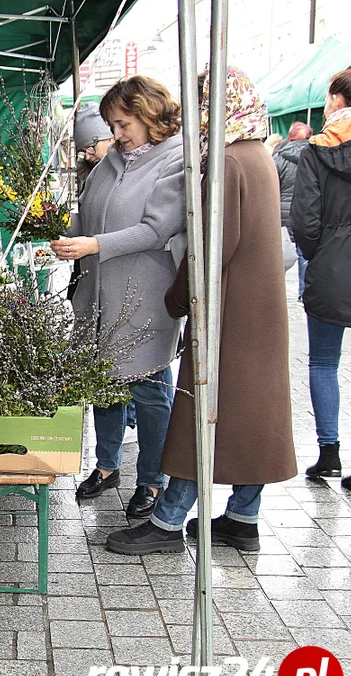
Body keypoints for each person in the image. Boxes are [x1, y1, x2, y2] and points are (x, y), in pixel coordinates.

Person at [106, 68, 297, 555]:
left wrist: (176, 296)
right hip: (259, 310)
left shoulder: (228, 161)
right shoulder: (256, 153)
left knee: (202, 415)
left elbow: (213, 247)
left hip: (228, 311)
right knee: (249, 419)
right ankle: (242, 518)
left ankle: (168, 522)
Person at [51, 76, 185, 519]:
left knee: (148, 390)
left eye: (124, 123)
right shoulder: (112, 160)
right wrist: (62, 232)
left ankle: (151, 478)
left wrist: (94, 245)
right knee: (103, 384)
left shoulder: (176, 159)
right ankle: (107, 466)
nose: (118, 133)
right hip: (98, 294)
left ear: (149, 116)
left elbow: (155, 229)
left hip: (144, 295)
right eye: (113, 124)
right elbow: (91, 213)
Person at [290, 68, 351, 491]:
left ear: (334, 99)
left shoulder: (316, 149)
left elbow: (304, 218)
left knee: (323, 362)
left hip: (331, 263)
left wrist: (320, 254)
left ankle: (328, 453)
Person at [273, 121, 314, 300]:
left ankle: (277, 289)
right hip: (306, 211)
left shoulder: (279, 158)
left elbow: (273, 186)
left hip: (282, 212)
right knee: (303, 252)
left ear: (290, 137)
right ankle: (304, 292)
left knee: (281, 251)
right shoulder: (316, 156)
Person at [74, 102, 114, 185]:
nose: (87, 157)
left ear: (111, 139)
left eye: (91, 148)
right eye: (83, 152)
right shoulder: (90, 183)